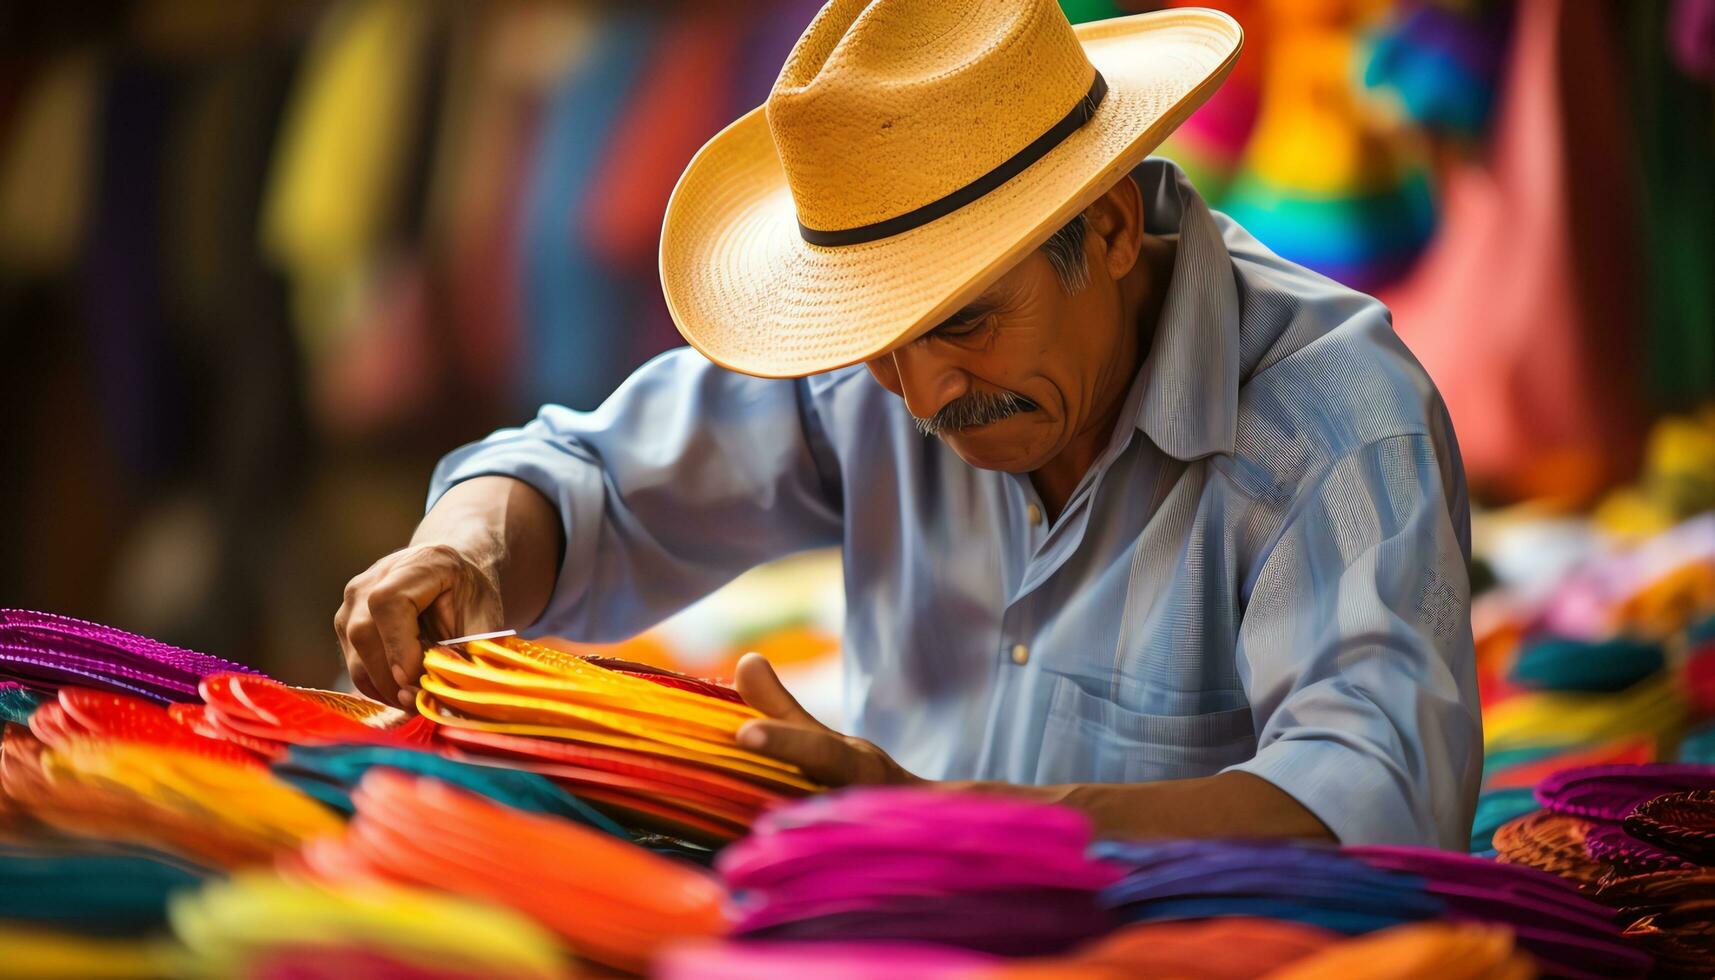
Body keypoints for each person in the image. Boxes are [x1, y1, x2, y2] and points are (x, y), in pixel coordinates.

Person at [335, 0, 1480, 848]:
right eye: (880, 343)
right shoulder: (877, 366)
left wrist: (948, 826)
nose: (924, 394)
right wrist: (463, 550)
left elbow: (1372, 812)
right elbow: (588, 479)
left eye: (966, 323)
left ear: (1116, 229)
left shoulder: (1333, 423)